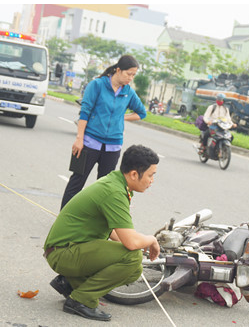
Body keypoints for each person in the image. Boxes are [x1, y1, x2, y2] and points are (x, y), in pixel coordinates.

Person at [44, 144, 161, 321]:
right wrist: (151, 239)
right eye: (151, 175)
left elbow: (116, 232)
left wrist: (134, 243)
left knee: (134, 269)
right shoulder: (113, 191)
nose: (152, 180)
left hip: (68, 250)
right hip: (63, 253)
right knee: (133, 256)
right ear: (134, 174)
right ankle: (80, 300)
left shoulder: (116, 184)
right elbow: (130, 243)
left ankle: (70, 282)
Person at [60, 55, 146, 209]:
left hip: (113, 147)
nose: (131, 78)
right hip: (89, 142)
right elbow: (85, 112)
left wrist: (121, 117)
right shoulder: (97, 85)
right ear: (118, 70)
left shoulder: (128, 92)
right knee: (77, 181)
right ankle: (64, 218)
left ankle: (96, 225)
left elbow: (141, 113)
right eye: (129, 74)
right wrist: (79, 139)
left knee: (104, 187)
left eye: (134, 75)